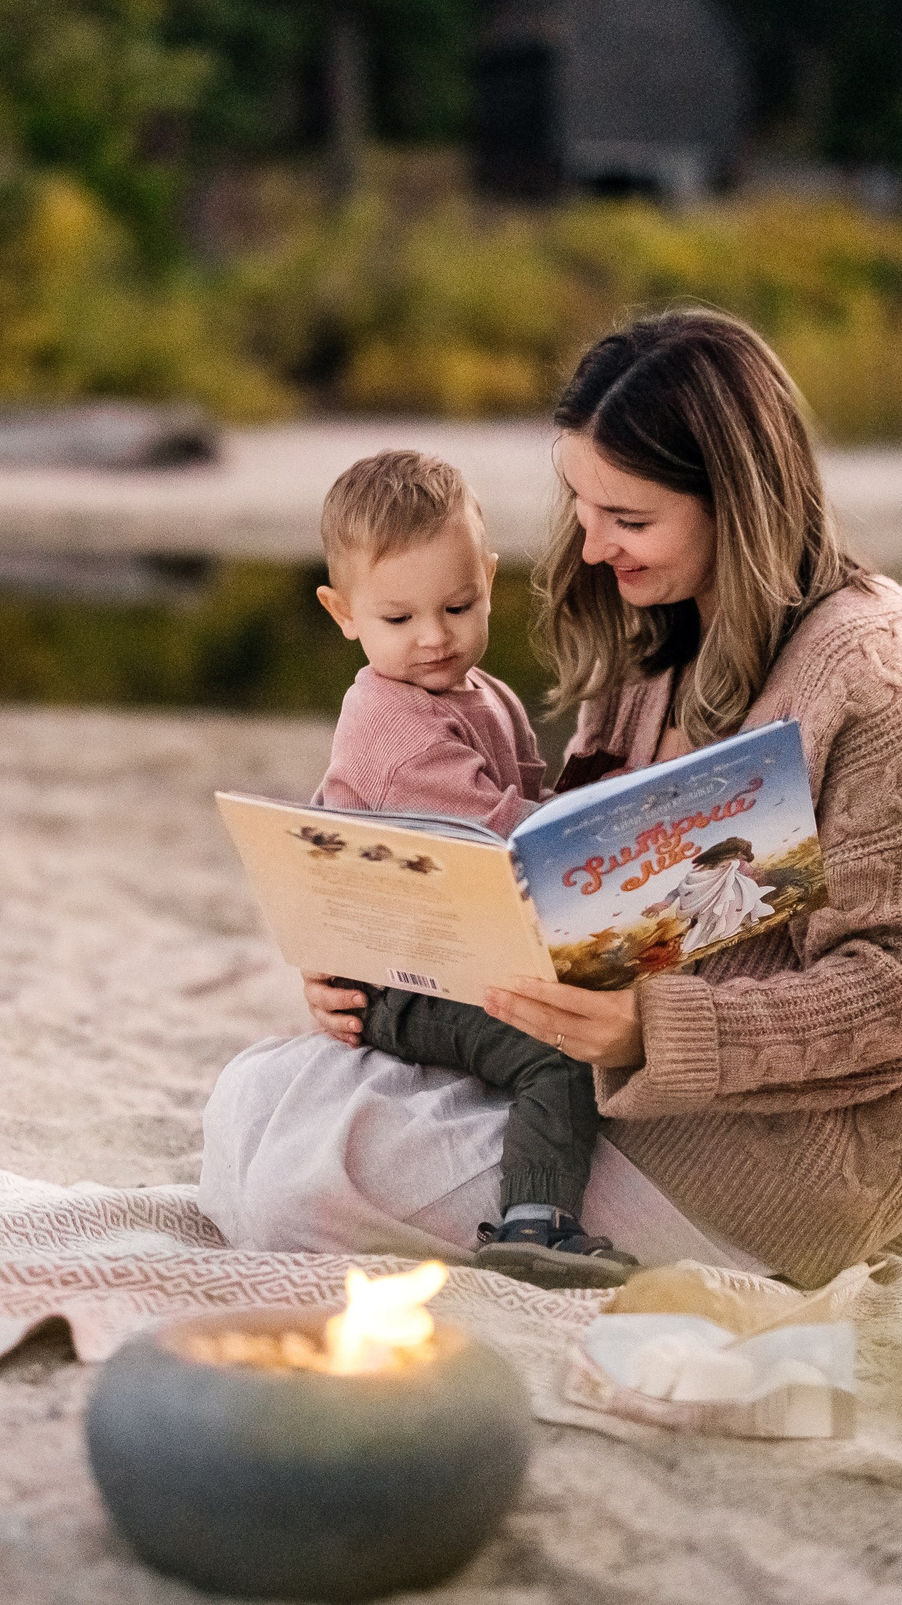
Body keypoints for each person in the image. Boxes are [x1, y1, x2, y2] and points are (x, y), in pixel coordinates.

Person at [201, 309, 902, 1286]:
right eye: (583, 507)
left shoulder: (880, 671)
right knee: (256, 1098)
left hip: (766, 1155)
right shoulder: (655, 634)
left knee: (300, 1179)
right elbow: (557, 890)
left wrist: (651, 1032)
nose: (591, 551)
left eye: (628, 521)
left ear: (738, 503)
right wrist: (383, 959)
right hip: (588, 1089)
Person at [307, 449, 633, 1287]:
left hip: (453, 937)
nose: (434, 637)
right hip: (396, 973)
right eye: (398, 618)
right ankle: (535, 1222)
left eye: (459, 605)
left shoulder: (486, 694)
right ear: (342, 613)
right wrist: (610, 829)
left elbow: (520, 798)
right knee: (557, 1047)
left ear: (488, 577)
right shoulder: (388, 721)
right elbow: (501, 837)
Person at [649, 837, 773, 952]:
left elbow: (750, 882)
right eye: (731, 855)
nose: (732, 859)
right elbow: (680, 889)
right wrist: (664, 904)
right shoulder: (701, 871)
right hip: (703, 914)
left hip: (730, 908)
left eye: (737, 855)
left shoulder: (738, 866)